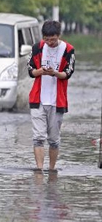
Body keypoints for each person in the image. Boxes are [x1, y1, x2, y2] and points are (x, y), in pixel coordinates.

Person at [27, 20, 75, 172]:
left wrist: (54, 73)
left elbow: (68, 73)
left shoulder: (68, 50)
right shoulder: (37, 48)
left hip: (57, 100)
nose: (50, 43)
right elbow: (30, 71)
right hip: (38, 99)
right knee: (38, 138)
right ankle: (39, 171)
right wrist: (41, 71)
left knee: (54, 140)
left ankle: (52, 170)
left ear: (58, 36)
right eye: (46, 40)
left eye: (53, 40)